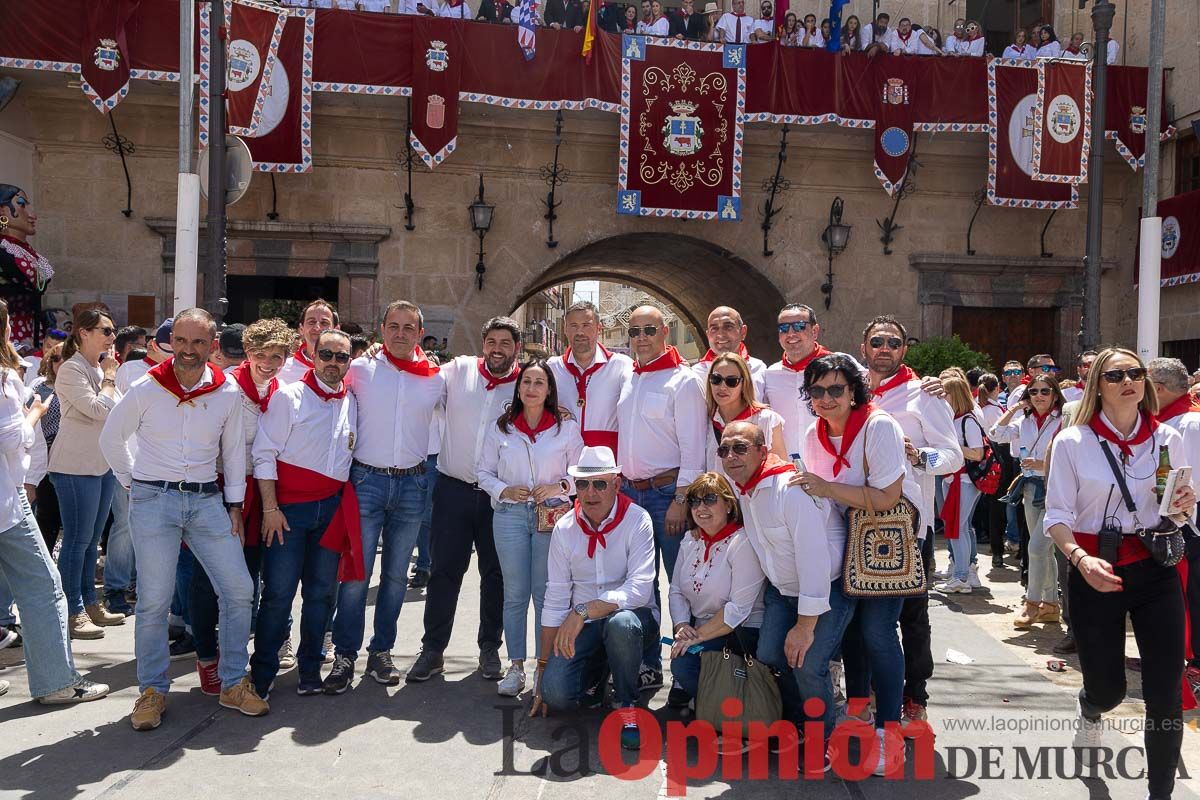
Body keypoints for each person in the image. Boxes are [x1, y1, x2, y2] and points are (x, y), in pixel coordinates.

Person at [99, 307, 266, 730]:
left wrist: (234, 506)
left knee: (238, 589)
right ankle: (152, 690)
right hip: (155, 499)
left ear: (212, 346)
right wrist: (132, 481)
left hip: (208, 501)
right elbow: (111, 438)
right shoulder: (146, 387)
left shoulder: (226, 390)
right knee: (154, 600)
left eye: (197, 343)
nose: (188, 351)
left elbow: (231, 451)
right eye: (180, 342)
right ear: (170, 343)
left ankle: (232, 681)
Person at [1044, 347, 1195, 800]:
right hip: (1095, 571)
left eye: (1135, 373)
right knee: (1108, 689)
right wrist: (1080, 560)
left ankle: (1160, 793)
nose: (1127, 380)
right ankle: (1091, 709)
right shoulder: (1072, 441)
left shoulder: (1168, 438)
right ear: (1098, 387)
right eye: (1115, 375)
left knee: (1165, 692)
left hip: (1155, 568)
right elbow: (1056, 515)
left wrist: (1183, 505)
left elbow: (1179, 503)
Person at [791, 354, 920, 774]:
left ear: (853, 391)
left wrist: (828, 487)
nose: (826, 398)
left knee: (878, 632)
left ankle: (889, 732)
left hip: (884, 543)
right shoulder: (814, 432)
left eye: (835, 390)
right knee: (850, 635)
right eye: (817, 390)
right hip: (841, 543)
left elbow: (886, 497)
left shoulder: (879, 426)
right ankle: (860, 711)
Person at [327, 301, 444, 692]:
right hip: (366, 481)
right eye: (393, 326)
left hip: (413, 484)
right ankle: (345, 655)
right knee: (356, 574)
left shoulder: (433, 378)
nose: (399, 333)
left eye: (408, 327)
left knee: (395, 577)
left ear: (419, 333)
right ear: (381, 330)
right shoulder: (360, 369)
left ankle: (381, 652)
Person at [0, 299, 109, 705]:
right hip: (6, 502)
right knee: (45, 590)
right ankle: (56, 682)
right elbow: (13, 440)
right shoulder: (7, 379)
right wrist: (32, 416)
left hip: (10, 496)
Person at [860, 315, 961, 727]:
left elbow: (952, 457)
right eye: (877, 341)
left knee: (912, 615)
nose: (885, 347)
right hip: (858, 519)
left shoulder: (925, 395)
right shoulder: (850, 389)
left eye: (893, 342)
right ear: (864, 347)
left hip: (910, 524)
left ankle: (914, 694)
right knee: (862, 613)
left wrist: (920, 457)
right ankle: (864, 692)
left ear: (904, 350)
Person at [408, 317, 519, 683]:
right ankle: (433, 649)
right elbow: (418, 377)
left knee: (496, 575)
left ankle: (489, 649)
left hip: (498, 497)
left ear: (516, 348)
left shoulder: (525, 384)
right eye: (492, 341)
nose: (497, 349)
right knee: (443, 573)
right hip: (453, 489)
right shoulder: (457, 371)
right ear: (483, 343)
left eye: (505, 342)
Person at [717, 421, 830, 768]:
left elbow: (815, 561)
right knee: (770, 654)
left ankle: (820, 742)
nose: (731, 456)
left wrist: (805, 626)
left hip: (822, 591)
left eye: (740, 448)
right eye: (724, 450)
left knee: (808, 665)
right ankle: (797, 724)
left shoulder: (788, 489)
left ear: (763, 452)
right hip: (783, 592)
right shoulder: (745, 490)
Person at [251, 329, 356, 699]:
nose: (332, 362)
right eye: (325, 353)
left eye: (341, 357)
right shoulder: (289, 398)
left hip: (330, 511)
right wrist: (270, 508)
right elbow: (263, 454)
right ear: (311, 354)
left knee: (321, 595)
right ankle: (261, 675)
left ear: (349, 361)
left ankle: (310, 669)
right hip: (288, 512)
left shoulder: (352, 401)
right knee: (278, 594)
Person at [530, 446, 657, 752]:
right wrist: (542, 670)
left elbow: (640, 589)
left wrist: (585, 610)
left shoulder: (638, 520)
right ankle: (599, 675)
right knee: (556, 695)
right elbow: (556, 597)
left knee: (622, 625)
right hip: (585, 628)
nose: (590, 492)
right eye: (583, 484)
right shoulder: (564, 528)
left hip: (631, 621)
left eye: (600, 483)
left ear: (616, 483)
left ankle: (628, 707)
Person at [189, 318, 292, 695]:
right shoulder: (226, 387)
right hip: (219, 492)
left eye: (276, 356)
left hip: (262, 494)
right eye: (260, 354)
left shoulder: (281, 391)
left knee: (249, 580)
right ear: (247, 354)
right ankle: (206, 657)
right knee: (207, 580)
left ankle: (238, 657)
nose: (268, 362)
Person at [477, 360, 583, 698]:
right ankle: (516, 666)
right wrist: (502, 490)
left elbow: (581, 473)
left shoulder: (565, 428)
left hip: (550, 516)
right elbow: (483, 471)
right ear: (519, 388)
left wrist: (559, 487)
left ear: (549, 389)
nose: (532, 388)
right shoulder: (502, 428)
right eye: (527, 382)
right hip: (509, 515)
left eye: (540, 382)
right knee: (515, 593)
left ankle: (543, 667)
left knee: (545, 593)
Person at [617, 304, 706, 690]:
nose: (641, 338)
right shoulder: (630, 377)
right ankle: (649, 664)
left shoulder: (682, 381)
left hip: (667, 494)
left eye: (648, 329)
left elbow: (694, 448)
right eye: (634, 331)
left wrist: (682, 499)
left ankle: (691, 677)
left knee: (682, 585)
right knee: (641, 584)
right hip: (630, 494)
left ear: (664, 332)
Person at [666, 471, 764, 731]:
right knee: (682, 664)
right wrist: (681, 626)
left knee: (694, 658)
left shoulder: (742, 542)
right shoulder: (690, 540)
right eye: (695, 501)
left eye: (710, 499)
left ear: (729, 504)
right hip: (703, 630)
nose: (701, 507)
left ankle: (735, 714)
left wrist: (696, 636)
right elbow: (676, 590)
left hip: (741, 631)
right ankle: (717, 709)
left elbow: (737, 609)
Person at [50, 308, 123, 639]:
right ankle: (72, 610)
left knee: (91, 541)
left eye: (113, 330)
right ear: (84, 333)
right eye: (106, 331)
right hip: (75, 466)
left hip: (103, 463)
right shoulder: (71, 369)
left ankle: (90, 603)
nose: (112, 336)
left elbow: (117, 412)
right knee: (77, 542)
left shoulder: (98, 367)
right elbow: (96, 410)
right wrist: (109, 379)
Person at [989, 372, 1064, 628]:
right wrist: (1015, 408)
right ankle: (1051, 604)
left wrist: (1044, 464)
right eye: (1034, 392)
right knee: (1044, 550)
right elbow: (996, 433)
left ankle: (1032, 604)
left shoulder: (1064, 420)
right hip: (1030, 487)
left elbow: (1072, 458)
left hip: (1056, 488)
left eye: (1045, 391)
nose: (1039, 396)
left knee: (1036, 548)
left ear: (1055, 394)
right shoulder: (1025, 420)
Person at [1148, 357, 1200, 694]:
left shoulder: (1190, 424)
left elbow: (1193, 481)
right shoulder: (1165, 421)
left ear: (1160, 389)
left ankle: (1195, 664)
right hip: (1170, 525)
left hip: (1190, 527)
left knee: (1193, 596)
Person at [548, 301, 633, 455]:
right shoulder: (552, 368)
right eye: (573, 326)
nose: (580, 332)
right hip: (562, 460)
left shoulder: (621, 365)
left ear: (599, 328)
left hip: (606, 464)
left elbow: (647, 382)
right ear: (565, 330)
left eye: (586, 325)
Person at [934, 375, 987, 593]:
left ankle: (961, 577)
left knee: (957, 529)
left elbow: (977, 453)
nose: (941, 397)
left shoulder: (967, 420)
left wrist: (953, 447)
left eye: (944, 393)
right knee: (960, 528)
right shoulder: (955, 419)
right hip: (952, 479)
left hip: (963, 480)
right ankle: (964, 575)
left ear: (954, 395)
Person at [704, 353, 786, 480]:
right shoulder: (703, 421)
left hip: (757, 498)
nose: (722, 387)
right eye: (716, 379)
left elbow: (781, 472)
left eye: (731, 381)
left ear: (744, 383)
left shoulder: (766, 419)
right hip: (715, 498)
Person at [0, 185, 54, 348]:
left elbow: (43, 277)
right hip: (11, 335)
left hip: (32, 332)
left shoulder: (24, 251)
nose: (32, 215)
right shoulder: (5, 251)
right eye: (22, 204)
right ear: (2, 211)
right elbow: (35, 280)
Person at [28, 343, 63, 552]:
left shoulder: (81, 384)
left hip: (74, 454)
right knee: (47, 514)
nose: (59, 362)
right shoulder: (40, 386)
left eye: (64, 357)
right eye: (55, 358)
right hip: (46, 453)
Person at [693, 306, 767, 400]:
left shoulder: (760, 369)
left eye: (728, 327)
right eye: (714, 328)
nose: (720, 334)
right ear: (708, 335)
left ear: (743, 332)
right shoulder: (695, 375)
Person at [278, 299, 337, 384]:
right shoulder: (282, 369)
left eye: (324, 323)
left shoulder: (347, 369)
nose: (317, 328)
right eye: (311, 322)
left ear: (335, 329)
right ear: (301, 329)